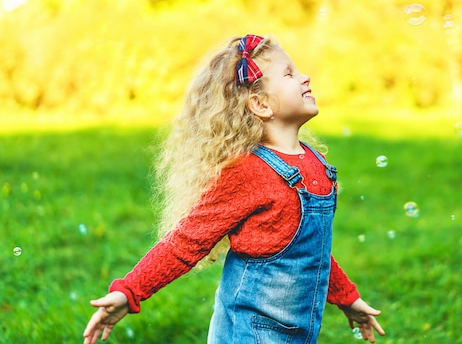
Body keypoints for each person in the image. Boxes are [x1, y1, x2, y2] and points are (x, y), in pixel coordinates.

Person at [82, 34, 385, 344]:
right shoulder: (247, 173)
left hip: (298, 334)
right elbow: (186, 242)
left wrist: (347, 298)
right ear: (261, 104)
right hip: (247, 333)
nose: (305, 77)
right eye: (289, 74)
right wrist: (129, 291)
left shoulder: (316, 163)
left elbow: (312, 252)